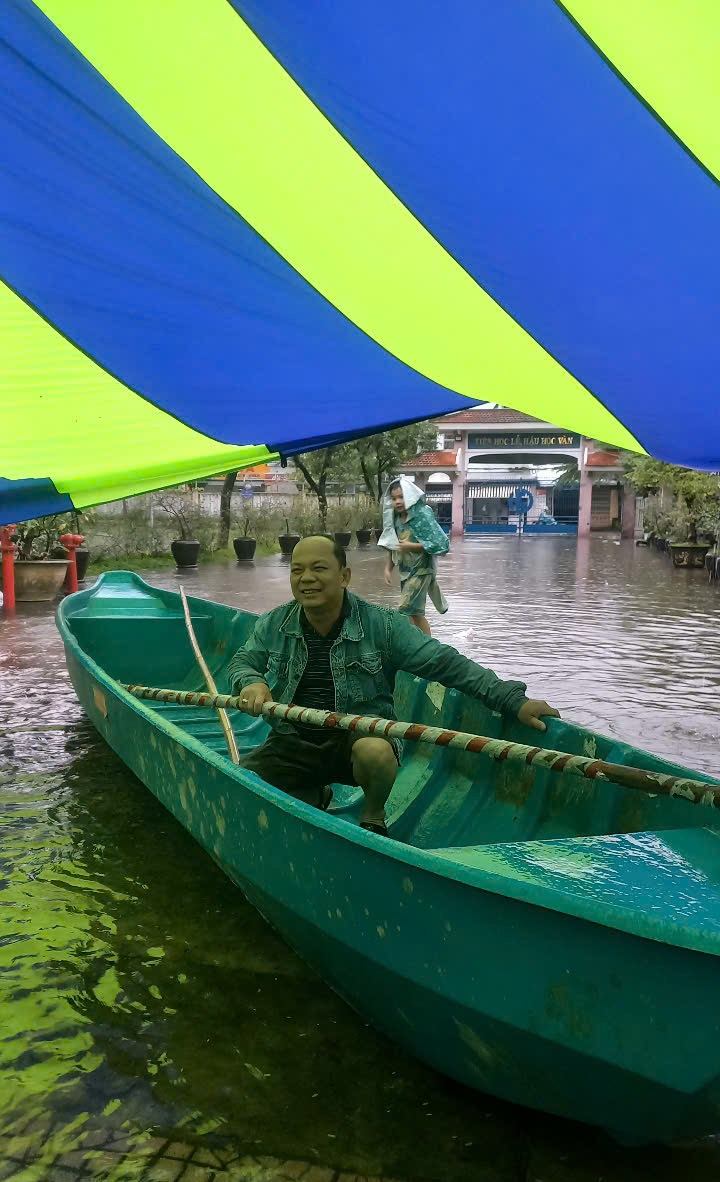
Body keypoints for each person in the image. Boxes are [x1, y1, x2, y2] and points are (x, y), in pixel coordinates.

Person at [227, 536, 559, 838]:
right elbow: (243, 661)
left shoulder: (383, 626)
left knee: (376, 751)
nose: (306, 578)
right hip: (293, 738)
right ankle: (315, 790)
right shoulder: (274, 623)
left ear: (344, 576)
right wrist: (252, 682)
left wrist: (513, 700)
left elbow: (445, 663)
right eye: (297, 570)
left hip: (355, 739)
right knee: (239, 787)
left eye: (318, 568)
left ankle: (373, 812)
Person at [378, 476, 449, 635]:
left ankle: (423, 645)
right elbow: (393, 546)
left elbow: (439, 544)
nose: (397, 502)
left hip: (422, 570)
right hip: (406, 573)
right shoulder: (396, 520)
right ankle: (421, 644)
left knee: (405, 609)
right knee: (415, 612)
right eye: (394, 498)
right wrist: (388, 569)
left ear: (409, 496)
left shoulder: (421, 516)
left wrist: (411, 546)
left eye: (401, 497)